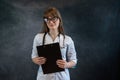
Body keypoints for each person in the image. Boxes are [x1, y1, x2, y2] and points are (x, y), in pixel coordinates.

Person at [31, 7, 77, 80]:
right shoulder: (38, 38)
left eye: (53, 19)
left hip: (62, 77)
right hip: (43, 77)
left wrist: (67, 64)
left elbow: (74, 60)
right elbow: (34, 57)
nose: (51, 22)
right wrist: (37, 60)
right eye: (47, 19)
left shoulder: (68, 40)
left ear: (59, 20)